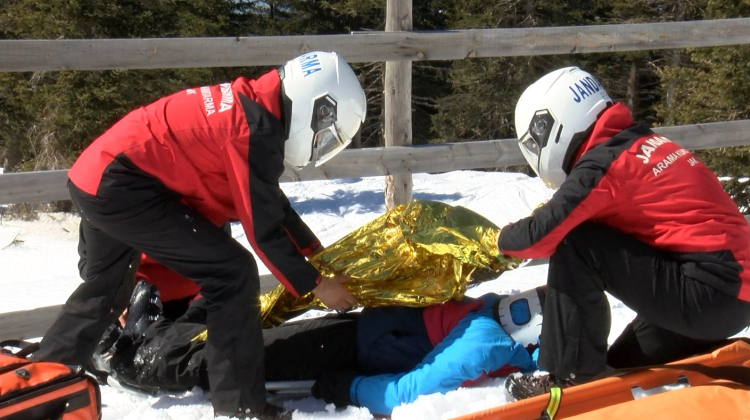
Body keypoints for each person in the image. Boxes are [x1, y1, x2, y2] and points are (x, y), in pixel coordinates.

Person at [34, 51, 367, 419]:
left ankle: (37, 389)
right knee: (232, 272)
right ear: (316, 106)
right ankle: (240, 404)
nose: (321, 144)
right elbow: (265, 231)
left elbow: (271, 204)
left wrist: (317, 253)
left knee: (106, 291)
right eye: (326, 133)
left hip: (96, 174)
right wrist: (317, 285)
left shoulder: (255, 108)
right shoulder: (253, 128)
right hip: (123, 183)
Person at [497, 66, 750, 400]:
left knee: (575, 240)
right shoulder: (642, 142)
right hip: (729, 295)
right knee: (619, 365)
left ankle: (568, 378)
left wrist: (497, 240)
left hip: (710, 294)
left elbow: (542, 235)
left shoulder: (603, 162)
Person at [99, 282, 543, 417]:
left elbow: (409, 391)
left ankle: (139, 356)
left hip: (352, 349)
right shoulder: (497, 330)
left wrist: (349, 387)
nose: (520, 302)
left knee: (242, 357)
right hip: (356, 336)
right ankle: (152, 342)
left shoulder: (489, 338)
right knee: (252, 338)